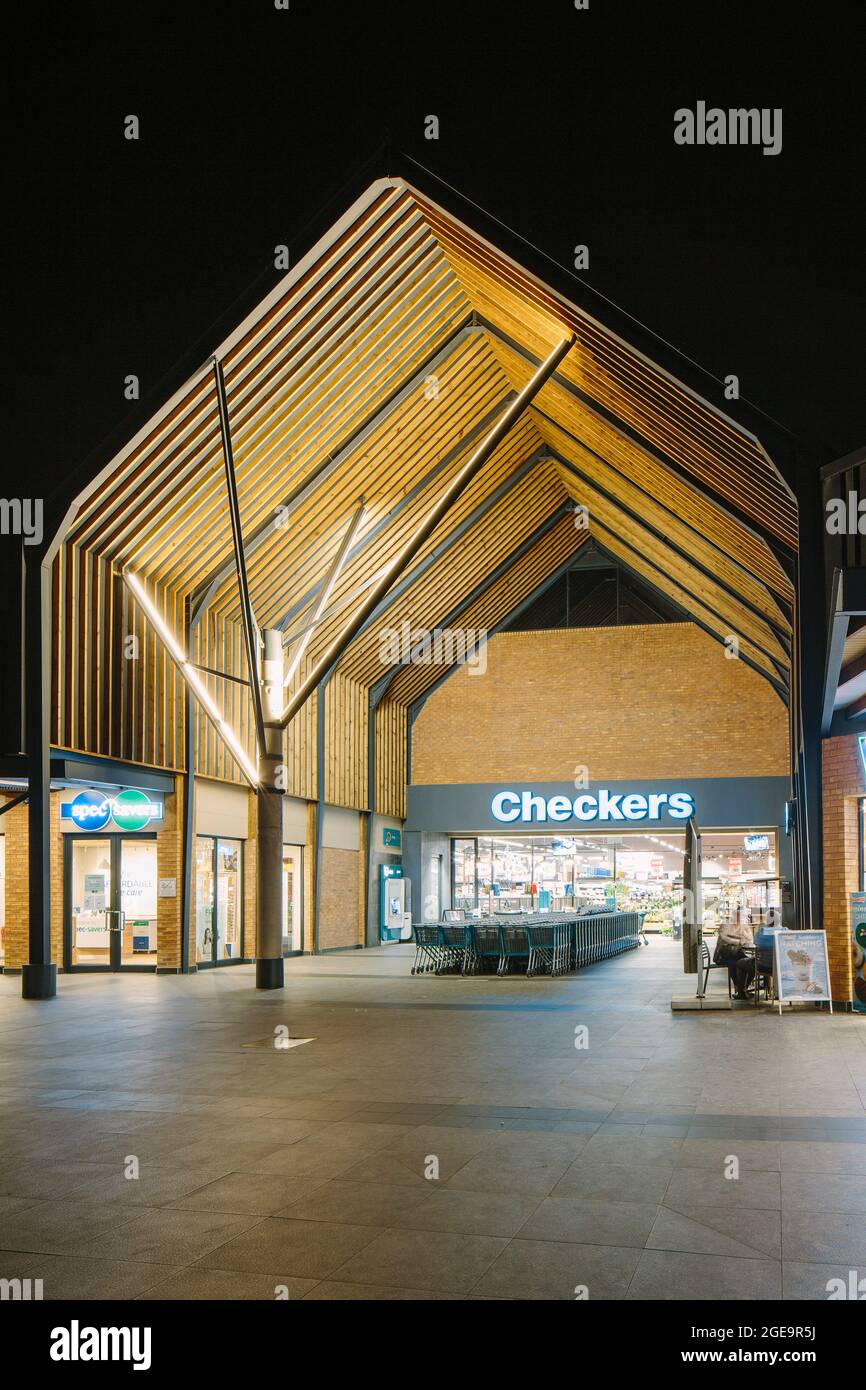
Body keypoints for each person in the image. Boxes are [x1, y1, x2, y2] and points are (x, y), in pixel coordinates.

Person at [714, 914, 754, 999]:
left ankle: (742, 989)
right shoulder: (725, 925)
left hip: (736, 953)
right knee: (735, 964)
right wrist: (738, 941)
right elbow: (724, 937)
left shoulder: (742, 925)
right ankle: (740, 990)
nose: (739, 919)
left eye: (741, 917)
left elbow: (750, 937)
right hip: (722, 955)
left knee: (751, 963)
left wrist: (746, 937)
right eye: (737, 917)